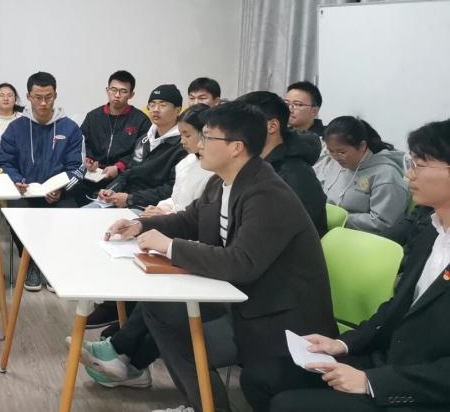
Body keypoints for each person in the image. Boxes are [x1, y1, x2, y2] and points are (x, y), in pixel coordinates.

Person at [105, 102, 337, 412]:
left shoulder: (268, 194)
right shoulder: (222, 181)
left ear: (236, 147)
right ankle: (202, 403)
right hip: (241, 299)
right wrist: (141, 225)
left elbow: (241, 263)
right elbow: (190, 219)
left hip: (276, 320)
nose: (199, 145)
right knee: (160, 309)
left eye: (208, 138)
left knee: (183, 333)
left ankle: (207, 406)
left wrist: (170, 247)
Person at [266, 118, 450, 412]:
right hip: (395, 360)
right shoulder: (432, 230)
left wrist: (372, 382)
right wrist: (343, 344)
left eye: (419, 165)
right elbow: (397, 307)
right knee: (268, 375)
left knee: (287, 404)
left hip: (426, 388)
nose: (408, 175)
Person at [77, 104, 215, 384]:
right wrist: (156, 211)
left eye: (188, 135)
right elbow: (180, 201)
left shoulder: (213, 173)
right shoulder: (187, 162)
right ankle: (125, 360)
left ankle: (121, 355)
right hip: (170, 227)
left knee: (161, 299)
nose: (184, 141)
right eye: (183, 135)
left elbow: (195, 216)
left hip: (190, 245)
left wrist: (158, 214)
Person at [0, 71, 84, 292]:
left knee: (69, 216)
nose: (44, 103)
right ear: (28, 96)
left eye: (49, 97)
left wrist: (60, 189)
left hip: (59, 193)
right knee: (15, 214)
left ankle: (54, 265)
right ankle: (31, 264)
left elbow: (76, 167)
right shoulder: (16, 128)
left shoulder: (69, 128)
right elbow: (4, 162)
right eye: (38, 97)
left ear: (55, 95)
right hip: (25, 191)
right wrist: (17, 180)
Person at [237, 91, 328, 237]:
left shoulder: (294, 174)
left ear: (272, 126)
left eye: (243, 123)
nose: (234, 131)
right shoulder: (255, 162)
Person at [95, 84, 187, 211]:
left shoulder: (183, 145)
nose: (155, 109)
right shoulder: (144, 139)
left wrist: (131, 199)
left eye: (163, 105)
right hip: (123, 199)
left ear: (178, 110)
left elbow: (171, 189)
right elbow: (129, 172)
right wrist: (111, 190)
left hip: (149, 207)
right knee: (83, 213)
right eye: (152, 104)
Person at [315, 116, 409, 235]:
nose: (335, 156)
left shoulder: (386, 175)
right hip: (328, 230)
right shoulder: (334, 162)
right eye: (331, 151)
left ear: (362, 146)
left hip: (361, 239)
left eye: (341, 152)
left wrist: (338, 219)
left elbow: (383, 222)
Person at [75, 70, 151, 205]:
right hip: (93, 174)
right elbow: (81, 142)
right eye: (113, 90)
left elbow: (142, 151)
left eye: (123, 91)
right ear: (107, 90)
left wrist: (119, 167)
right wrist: (88, 159)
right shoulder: (93, 116)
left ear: (131, 94)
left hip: (123, 176)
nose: (117, 95)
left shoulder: (141, 120)